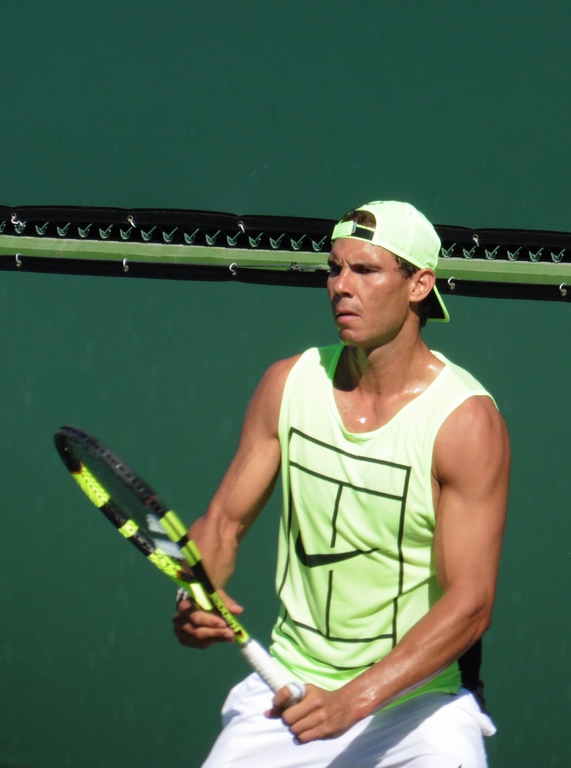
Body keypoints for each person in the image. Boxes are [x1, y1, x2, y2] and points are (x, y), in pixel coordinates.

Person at [173, 200, 511, 767]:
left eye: (366, 270)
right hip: (289, 687)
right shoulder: (288, 384)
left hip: (416, 707)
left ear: (418, 285)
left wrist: (354, 700)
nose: (340, 287)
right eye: (335, 268)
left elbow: (471, 605)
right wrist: (194, 594)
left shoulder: (465, 422)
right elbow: (224, 524)